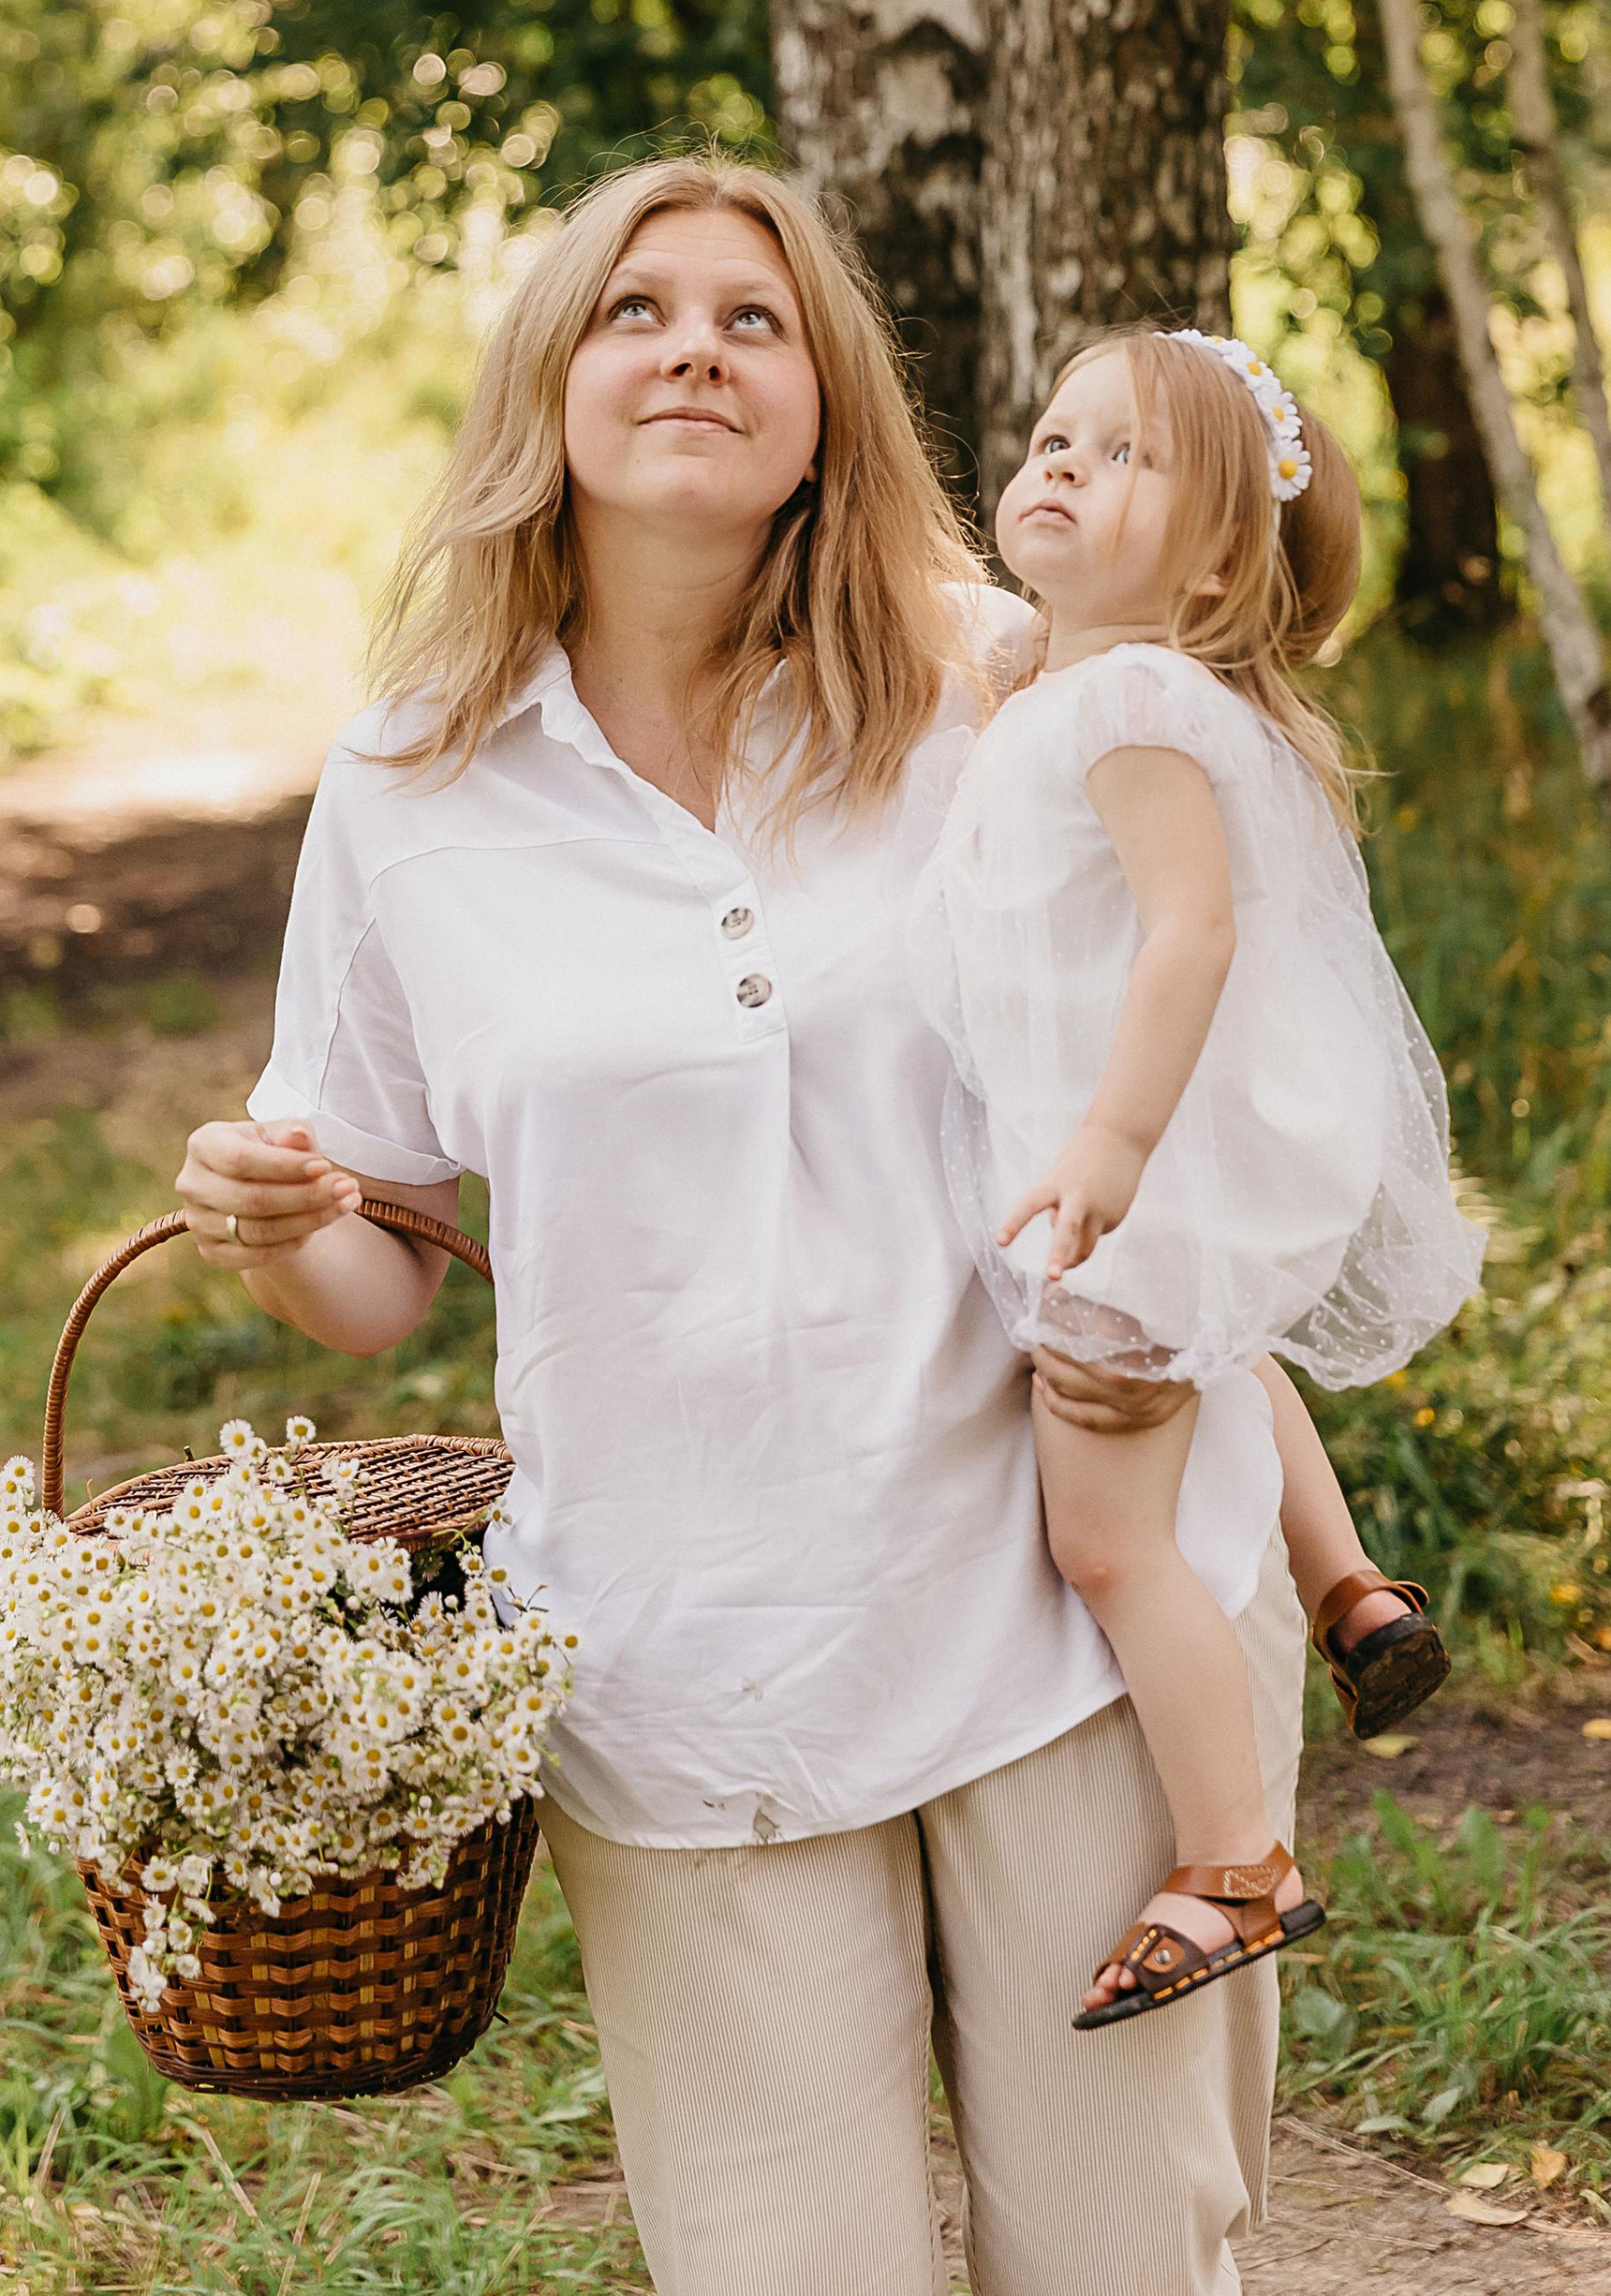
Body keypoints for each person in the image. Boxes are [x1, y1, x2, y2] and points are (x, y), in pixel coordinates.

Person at [175, 155, 1309, 2296]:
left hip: (1064, 1614)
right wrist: (273, 1219)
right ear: (549, 385)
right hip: (690, 1665)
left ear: (825, 406)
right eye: (636, 309)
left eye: (753, 318)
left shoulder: (1002, 681)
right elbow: (374, 1273)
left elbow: (1247, 961)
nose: (693, 344)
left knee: (1125, 2263)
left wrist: (1183, 1283)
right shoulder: (408, 785)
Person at [910, 329, 1483, 2034]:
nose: (1062, 465)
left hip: (1130, 1174)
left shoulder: (1134, 700)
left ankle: (1236, 1859)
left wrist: (1109, 1153)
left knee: (1104, 1539)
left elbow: (1193, 928)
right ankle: (1347, 1583)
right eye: (1053, 434)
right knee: (1219, 1350)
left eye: (1126, 456)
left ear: (1224, 559)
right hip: (1168, 1183)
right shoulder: (1095, 681)